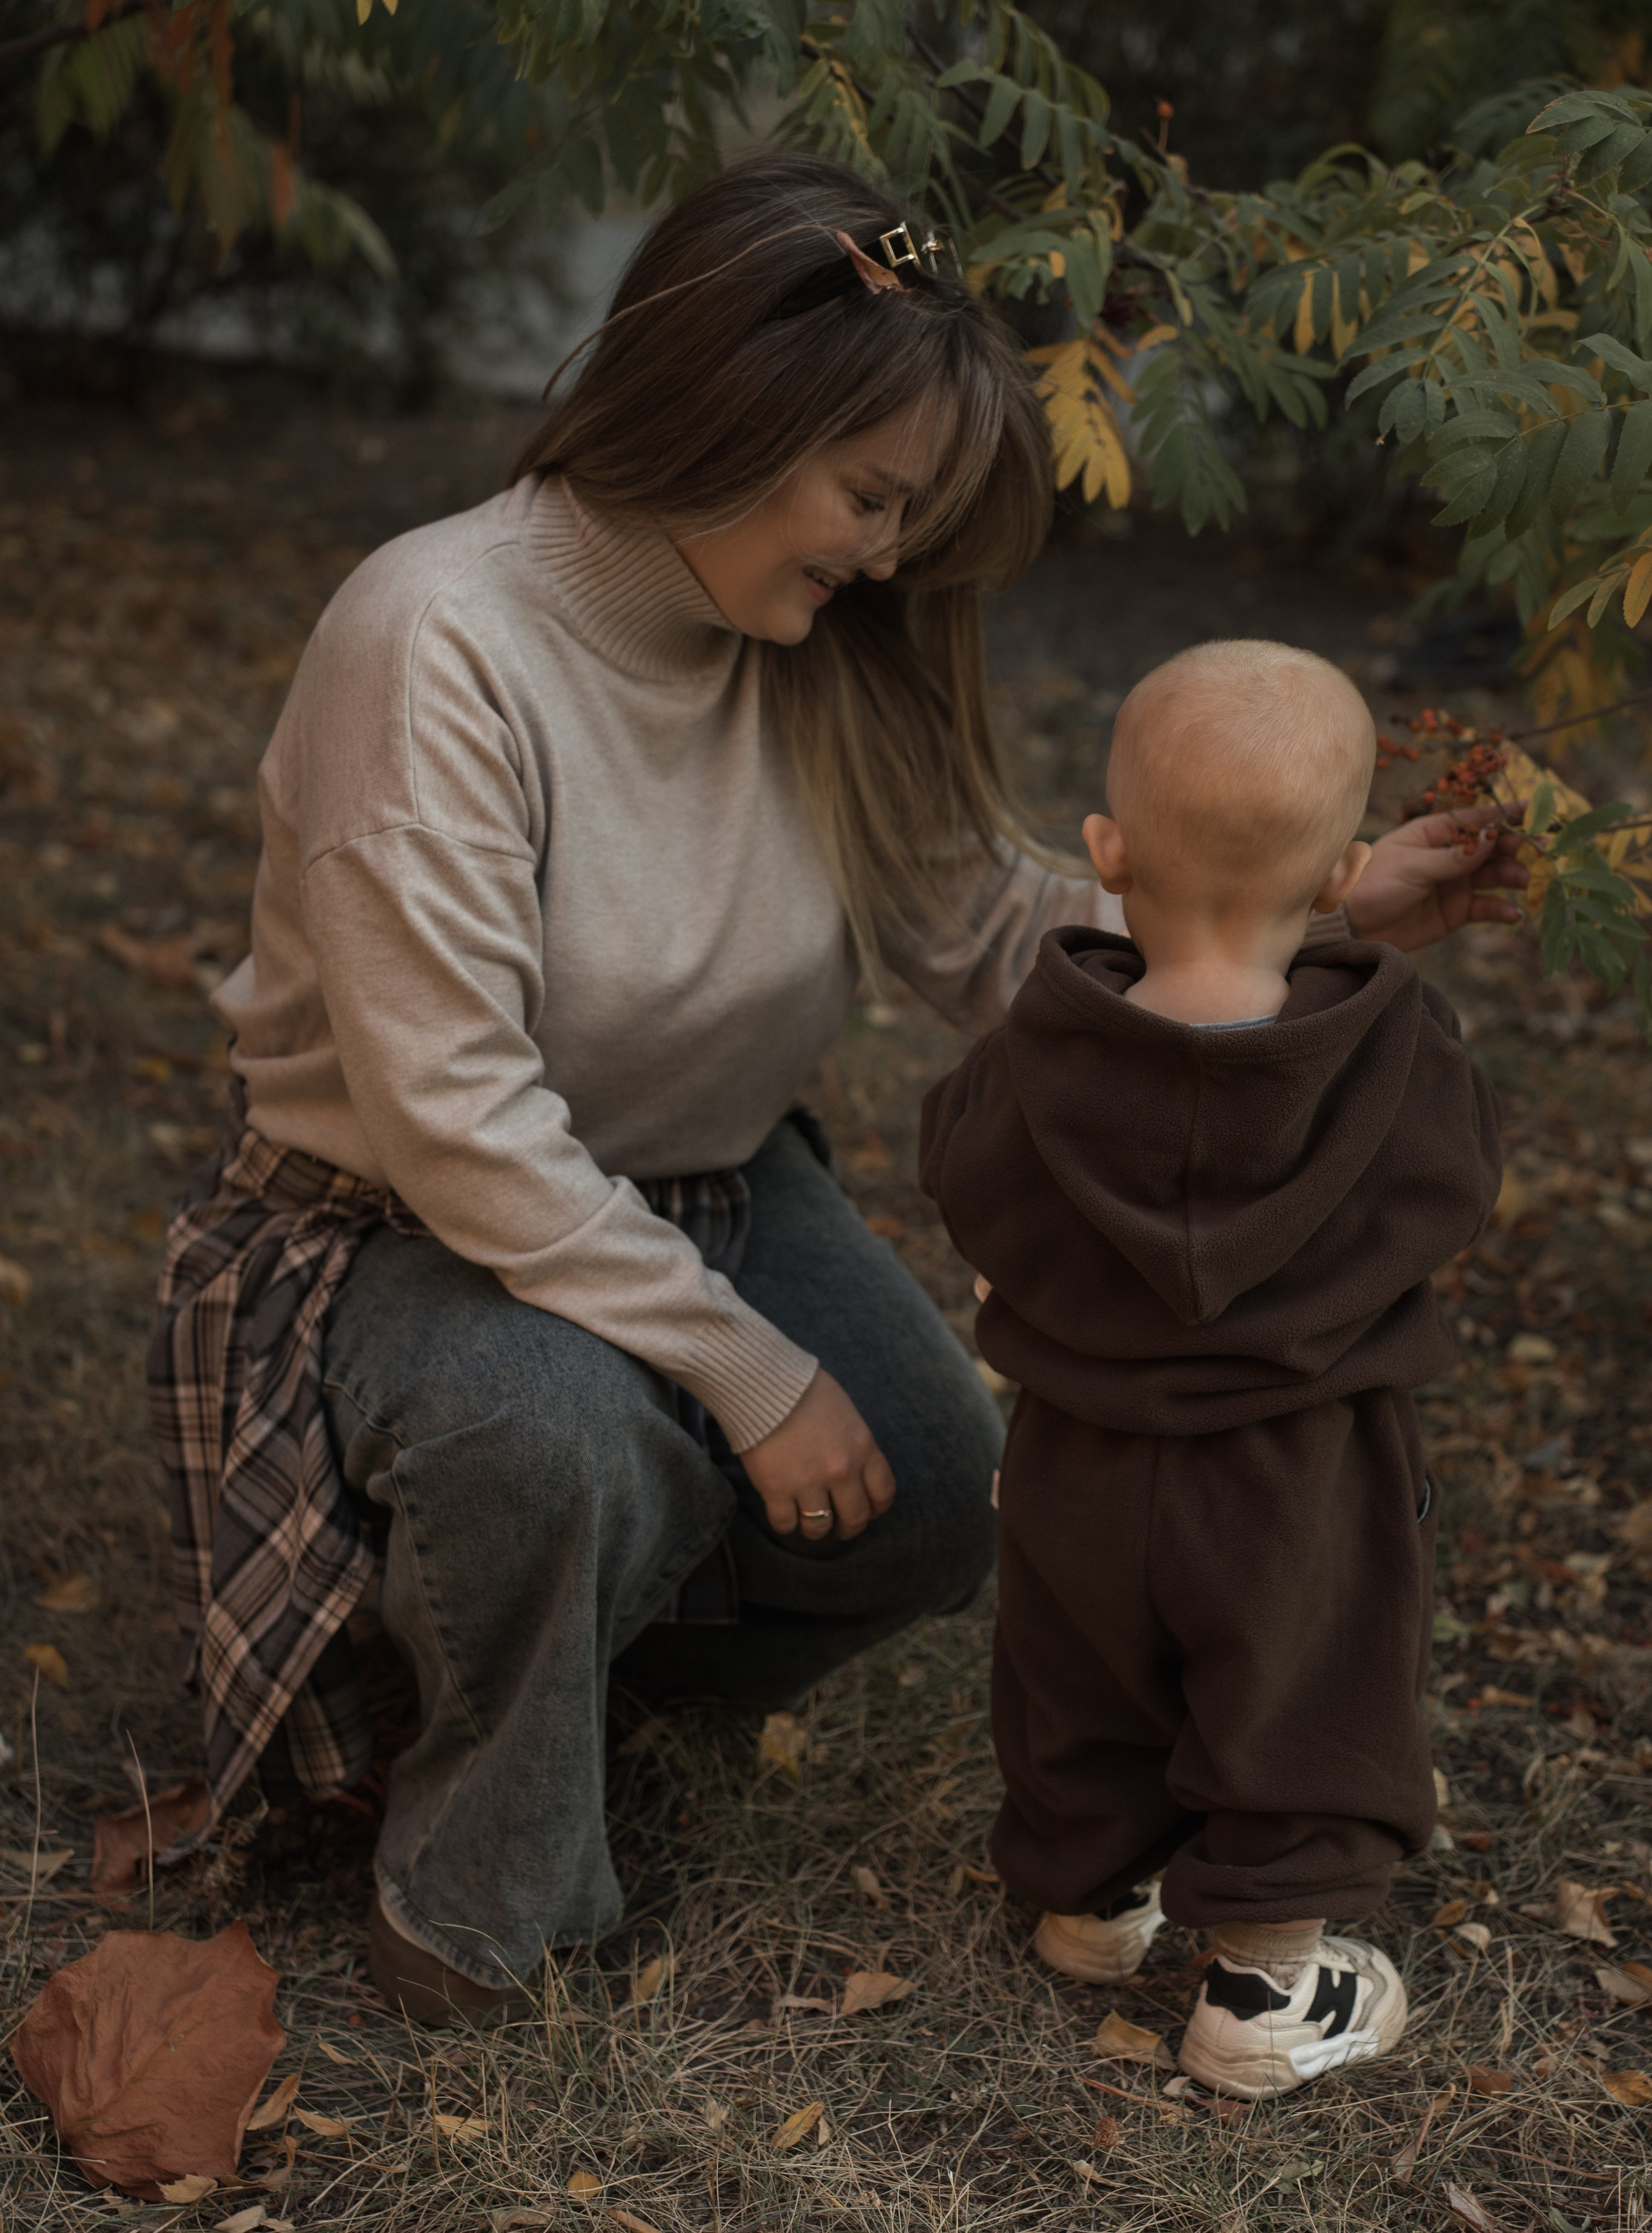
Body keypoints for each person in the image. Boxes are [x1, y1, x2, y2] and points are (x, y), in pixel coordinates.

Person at [148, 154, 1525, 2030]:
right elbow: (458, 1119)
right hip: (402, 1224)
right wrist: (749, 1371)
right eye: (870, 497)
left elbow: (996, 935)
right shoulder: (438, 639)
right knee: (562, 1441)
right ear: (734, 403)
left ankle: (526, 1626)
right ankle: (474, 1905)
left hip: (703, 1184)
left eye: (911, 516)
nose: (885, 553)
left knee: (942, 1501)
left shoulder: (810, 648)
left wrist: (1323, 896)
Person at [919, 640, 1502, 2099]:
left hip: (1077, 1455)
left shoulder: (1037, 1046)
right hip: (1294, 1464)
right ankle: (1257, 1986)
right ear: (1335, 879)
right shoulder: (1392, 1049)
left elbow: (962, 1169)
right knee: (1299, 1684)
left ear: (1104, 855)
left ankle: (1090, 1903)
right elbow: (1452, 1182)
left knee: (1078, 1669)